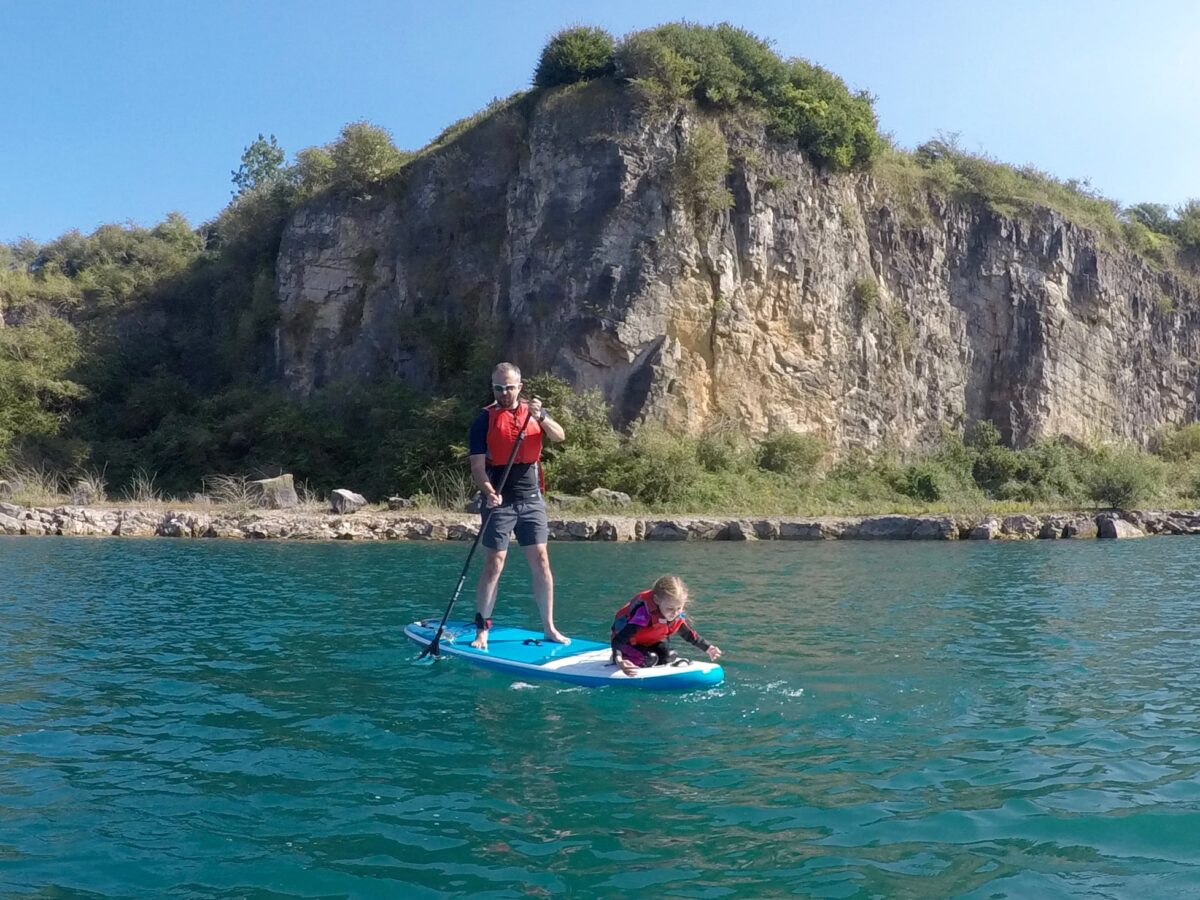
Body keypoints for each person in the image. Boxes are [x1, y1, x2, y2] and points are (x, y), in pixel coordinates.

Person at [468, 362, 568, 650]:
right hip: (499, 499)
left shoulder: (533, 414)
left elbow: (559, 436)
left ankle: (549, 627)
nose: (504, 393)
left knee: (541, 560)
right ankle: (482, 628)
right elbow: (477, 467)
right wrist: (487, 491)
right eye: (498, 388)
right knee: (494, 563)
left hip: (531, 498)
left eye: (509, 387)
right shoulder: (483, 421)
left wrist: (543, 416)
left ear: (519, 387)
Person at [610, 575, 722, 676]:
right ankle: (619, 657)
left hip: (648, 643)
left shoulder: (677, 615)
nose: (675, 613)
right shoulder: (644, 614)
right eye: (670, 609)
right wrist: (619, 659)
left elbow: (689, 635)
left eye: (679, 608)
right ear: (656, 600)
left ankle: (646, 657)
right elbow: (618, 640)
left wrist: (708, 648)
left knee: (669, 656)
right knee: (648, 659)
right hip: (627, 643)